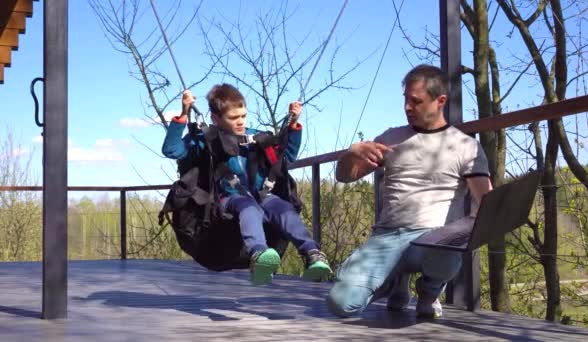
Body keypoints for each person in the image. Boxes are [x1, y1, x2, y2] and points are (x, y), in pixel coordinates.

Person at [326, 65, 492, 318]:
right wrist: (351, 153)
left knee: (449, 248)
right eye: (406, 100)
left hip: (432, 240)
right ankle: (394, 281)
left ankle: (429, 292)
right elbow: (344, 177)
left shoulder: (465, 146)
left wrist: (484, 221)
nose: (407, 107)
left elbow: (486, 202)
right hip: (387, 237)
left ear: (440, 101)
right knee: (341, 303)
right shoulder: (391, 137)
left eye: (416, 101)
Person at [162, 83, 332, 286]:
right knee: (249, 207)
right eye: (234, 118)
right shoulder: (206, 139)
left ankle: (312, 253)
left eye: (243, 115)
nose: (241, 121)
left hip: (262, 195)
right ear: (216, 118)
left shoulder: (257, 137)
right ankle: (259, 254)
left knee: (284, 208)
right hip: (226, 200)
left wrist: (293, 125)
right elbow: (172, 150)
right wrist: (183, 115)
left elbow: (288, 156)